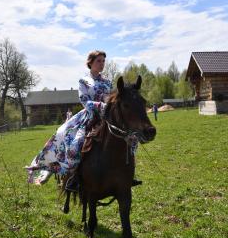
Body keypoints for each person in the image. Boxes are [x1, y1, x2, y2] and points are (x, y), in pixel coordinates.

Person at [25, 50, 141, 190]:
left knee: (132, 138)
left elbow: (112, 99)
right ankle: (73, 177)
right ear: (90, 62)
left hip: (109, 117)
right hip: (90, 116)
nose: (102, 64)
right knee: (75, 143)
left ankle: (128, 174)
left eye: (103, 61)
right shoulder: (84, 81)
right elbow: (85, 101)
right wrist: (102, 106)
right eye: (99, 61)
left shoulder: (108, 82)